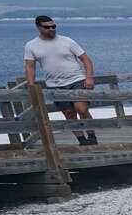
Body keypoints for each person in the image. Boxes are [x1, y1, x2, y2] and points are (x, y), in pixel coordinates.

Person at [22, 15, 97, 144]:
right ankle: (81, 140)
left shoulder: (67, 41)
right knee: (69, 113)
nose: (51, 29)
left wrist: (89, 78)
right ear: (38, 27)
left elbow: (86, 59)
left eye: (53, 26)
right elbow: (30, 66)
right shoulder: (31, 45)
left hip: (76, 80)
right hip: (54, 85)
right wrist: (31, 85)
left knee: (82, 109)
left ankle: (92, 136)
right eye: (47, 27)